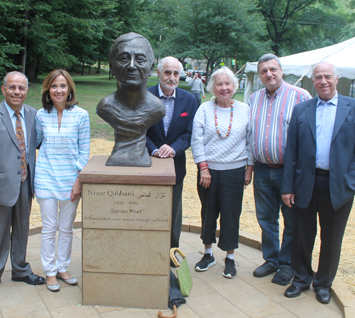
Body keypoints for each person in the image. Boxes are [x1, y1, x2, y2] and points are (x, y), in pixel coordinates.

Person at [281, 62, 355, 304]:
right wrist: (287, 187)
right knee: (302, 234)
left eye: (327, 77)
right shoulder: (301, 109)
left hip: (339, 187)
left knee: (331, 238)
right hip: (305, 184)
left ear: (337, 79)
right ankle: (300, 279)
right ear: (313, 80)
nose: (323, 81)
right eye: (318, 77)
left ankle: (323, 283)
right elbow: (291, 152)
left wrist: (354, 182)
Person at [0, 71, 45, 296]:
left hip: (25, 183)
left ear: (27, 91)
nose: (17, 92)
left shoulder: (35, 116)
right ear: (3, 89)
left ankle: (21, 270)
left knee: (22, 229)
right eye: (12, 87)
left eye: (21, 88)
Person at [248, 53, 311, 285]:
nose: (269, 74)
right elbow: (250, 136)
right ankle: (271, 259)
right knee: (266, 218)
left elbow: (308, 139)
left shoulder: (300, 97)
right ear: (260, 75)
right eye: (264, 71)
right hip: (263, 170)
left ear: (282, 71)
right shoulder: (254, 99)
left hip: (290, 172)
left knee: (291, 220)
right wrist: (250, 166)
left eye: (273, 69)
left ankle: (287, 265)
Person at [191, 67, 254, 278]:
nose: (224, 88)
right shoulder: (204, 109)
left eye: (228, 84)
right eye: (219, 84)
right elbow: (196, 140)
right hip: (208, 172)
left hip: (235, 171)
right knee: (208, 212)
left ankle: (230, 257)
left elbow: (251, 141)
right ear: (212, 88)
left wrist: (249, 168)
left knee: (231, 215)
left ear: (234, 87)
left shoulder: (245, 109)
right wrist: (203, 168)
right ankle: (208, 254)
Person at [35, 70, 90, 292]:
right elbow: (38, 143)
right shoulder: (40, 115)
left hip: (71, 179)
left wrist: (79, 180)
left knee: (66, 228)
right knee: (49, 227)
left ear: (70, 89)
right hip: (46, 177)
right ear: (48, 89)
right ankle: (49, 272)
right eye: (54, 86)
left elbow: (84, 151)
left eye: (63, 86)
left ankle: (62, 267)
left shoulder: (81, 115)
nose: (59, 90)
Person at [147, 56, 198, 248]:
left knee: (174, 211)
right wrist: (153, 149)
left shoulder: (190, 101)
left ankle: (171, 251)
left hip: (175, 165)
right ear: (159, 73)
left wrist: (173, 149)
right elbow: (139, 131)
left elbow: (189, 133)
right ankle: (150, 249)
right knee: (149, 210)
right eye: (167, 72)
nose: (172, 77)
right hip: (149, 164)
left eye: (176, 73)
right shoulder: (145, 96)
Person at [97, 32, 165, 167]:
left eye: (140, 59)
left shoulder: (157, 108)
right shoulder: (105, 107)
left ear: (151, 68)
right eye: (124, 58)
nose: (132, 65)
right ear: (112, 67)